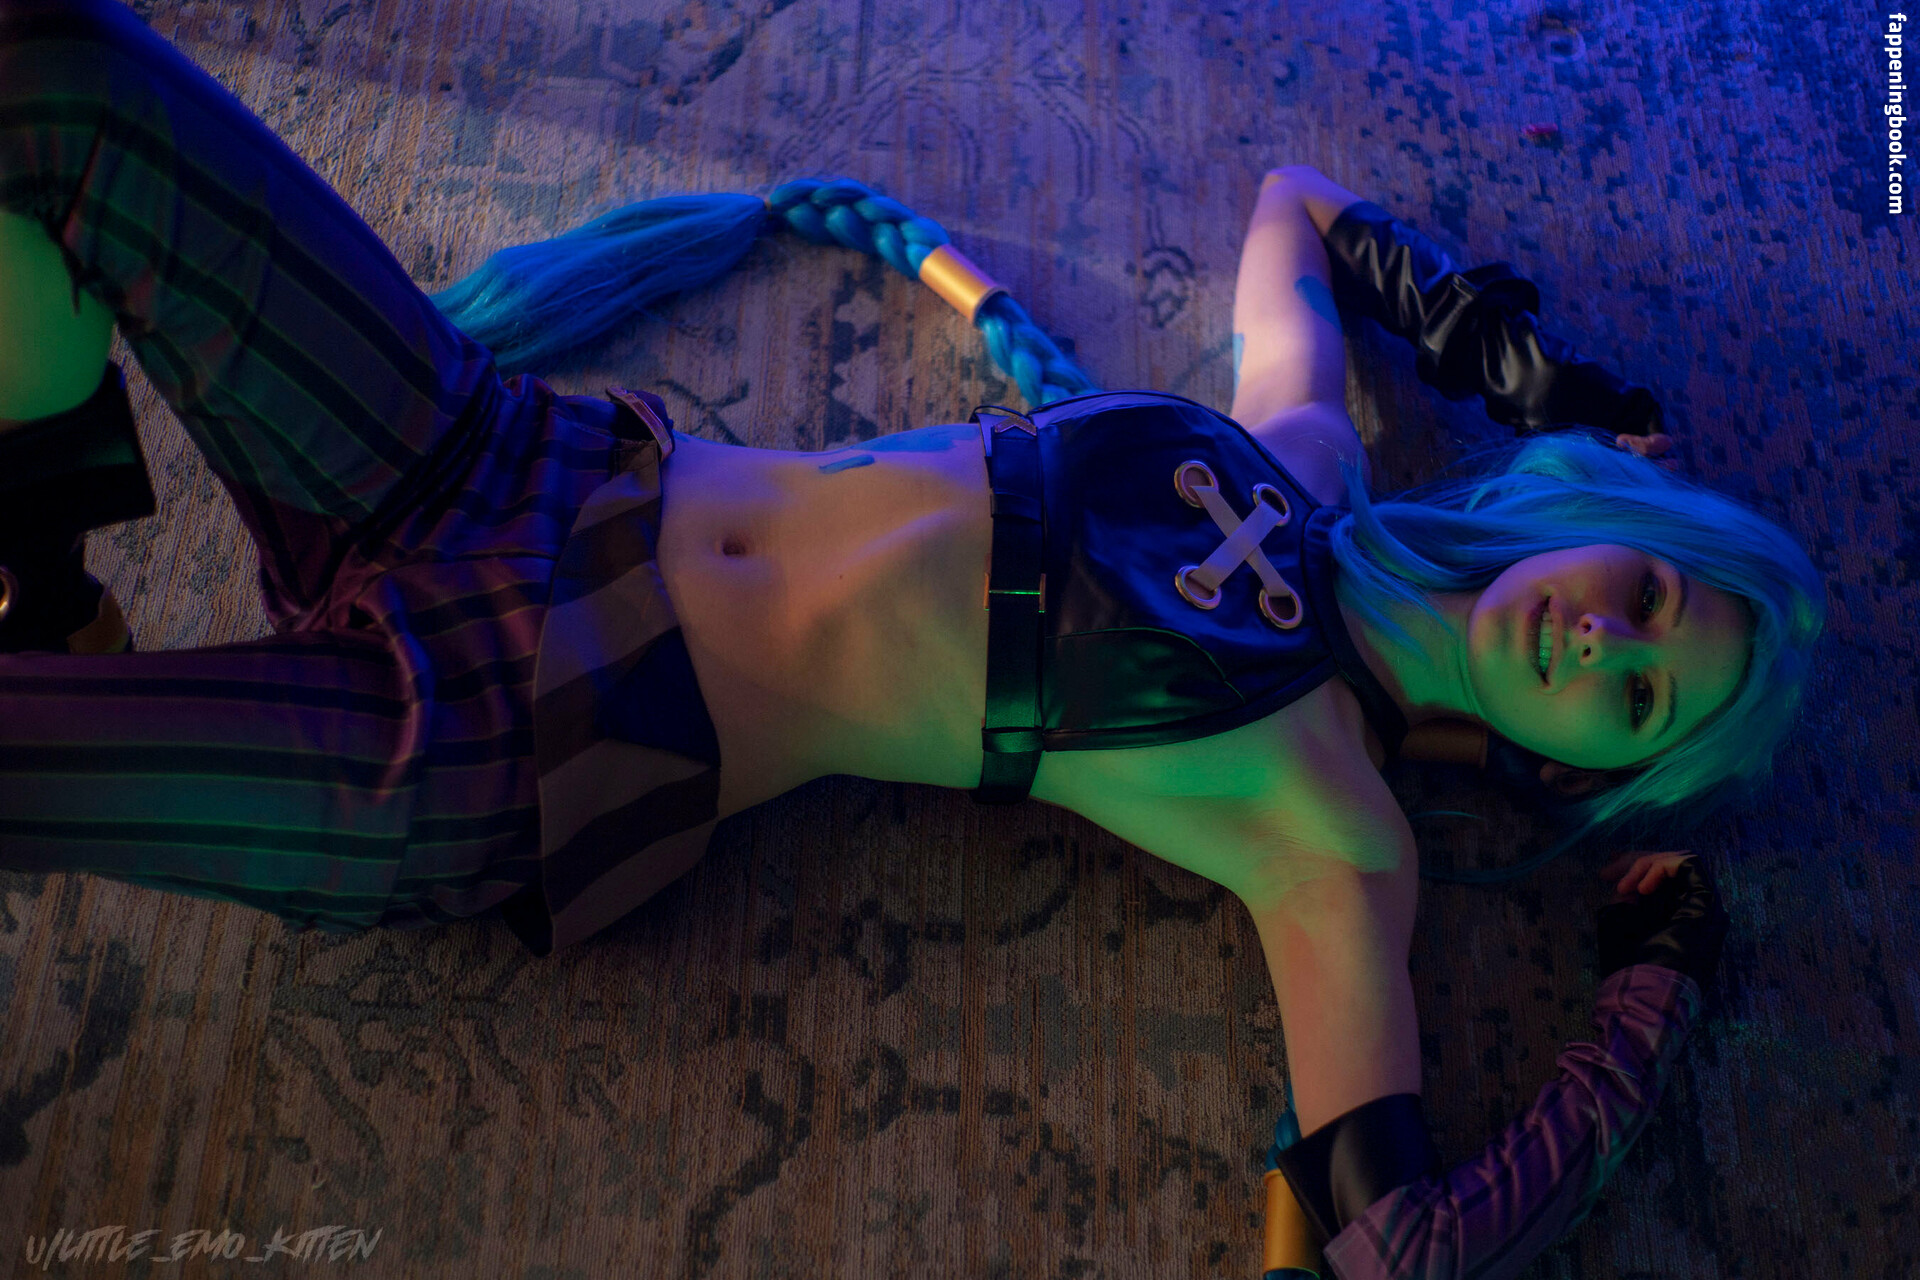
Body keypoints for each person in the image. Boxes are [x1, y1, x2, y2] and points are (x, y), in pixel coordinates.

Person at [0, 2, 1823, 1276]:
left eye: (1636, 706)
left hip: (517, 736)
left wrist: (1646, 996)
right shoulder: (1302, 458)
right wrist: (1542, 375)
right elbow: (1299, 211)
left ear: (1582, 770)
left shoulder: (1337, 844)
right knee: (53, 71)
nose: (1601, 648)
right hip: (512, 464)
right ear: (1610, 525)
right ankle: (50, 580)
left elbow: (1390, 1246)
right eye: (1650, 597)